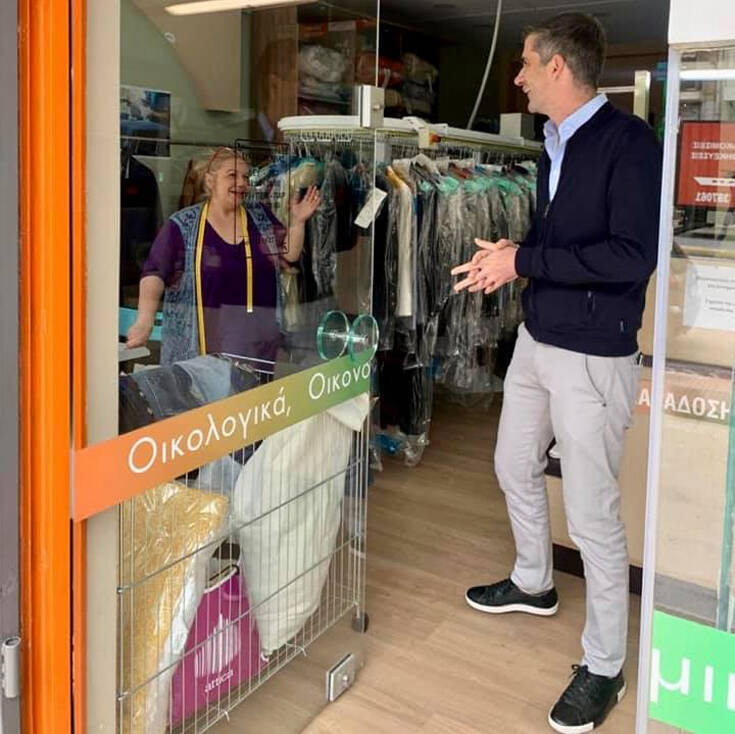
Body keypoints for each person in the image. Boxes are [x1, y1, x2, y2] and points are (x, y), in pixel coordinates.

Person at [452, 13, 661, 733]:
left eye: (523, 63)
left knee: (592, 511)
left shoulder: (629, 144)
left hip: (593, 353)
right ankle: (534, 581)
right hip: (538, 338)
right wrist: (510, 253)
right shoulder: (552, 144)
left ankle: (604, 665)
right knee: (513, 464)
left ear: (558, 68)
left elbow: (631, 257)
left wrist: (526, 261)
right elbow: (557, 241)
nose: (516, 77)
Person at [126, 146, 321, 366]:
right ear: (210, 181)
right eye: (232, 175)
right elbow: (154, 274)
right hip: (201, 350)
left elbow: (290, 254)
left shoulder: (260, 217)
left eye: (245, 177)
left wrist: (298, 222)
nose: (242, 183)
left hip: (258, 347)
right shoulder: (182, 226)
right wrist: (144, 321)